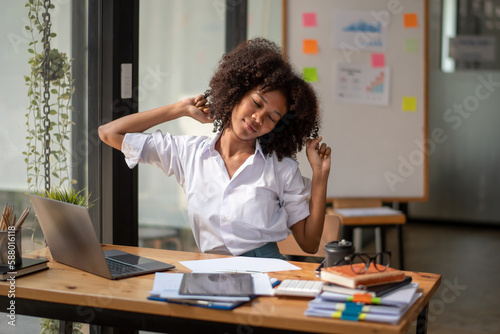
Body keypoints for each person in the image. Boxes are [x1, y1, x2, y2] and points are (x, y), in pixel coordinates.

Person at [99, 38, 331, 259]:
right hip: (208, 270)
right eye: (257, 103)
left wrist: (320, 175)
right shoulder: (189, 153)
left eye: (272, 117)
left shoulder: (281, 169)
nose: (258, 118)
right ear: (238, 92)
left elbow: (309, 244)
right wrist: (179, 108)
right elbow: (109, 133)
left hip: (265, 272)